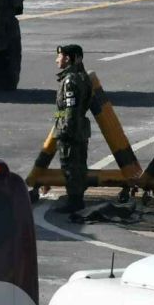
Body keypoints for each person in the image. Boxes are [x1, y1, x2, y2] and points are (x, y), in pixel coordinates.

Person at [52, 44, 92, 219]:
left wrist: (65, 130)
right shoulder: (82, 77)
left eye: (59, 56)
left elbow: (70, 108)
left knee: (70, 166)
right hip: (80, 128)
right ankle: (77, 199)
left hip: (71, 130)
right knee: (79, 164)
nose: (57, 60)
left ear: (68, 58)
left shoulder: (70, 80)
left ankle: (74, 201)